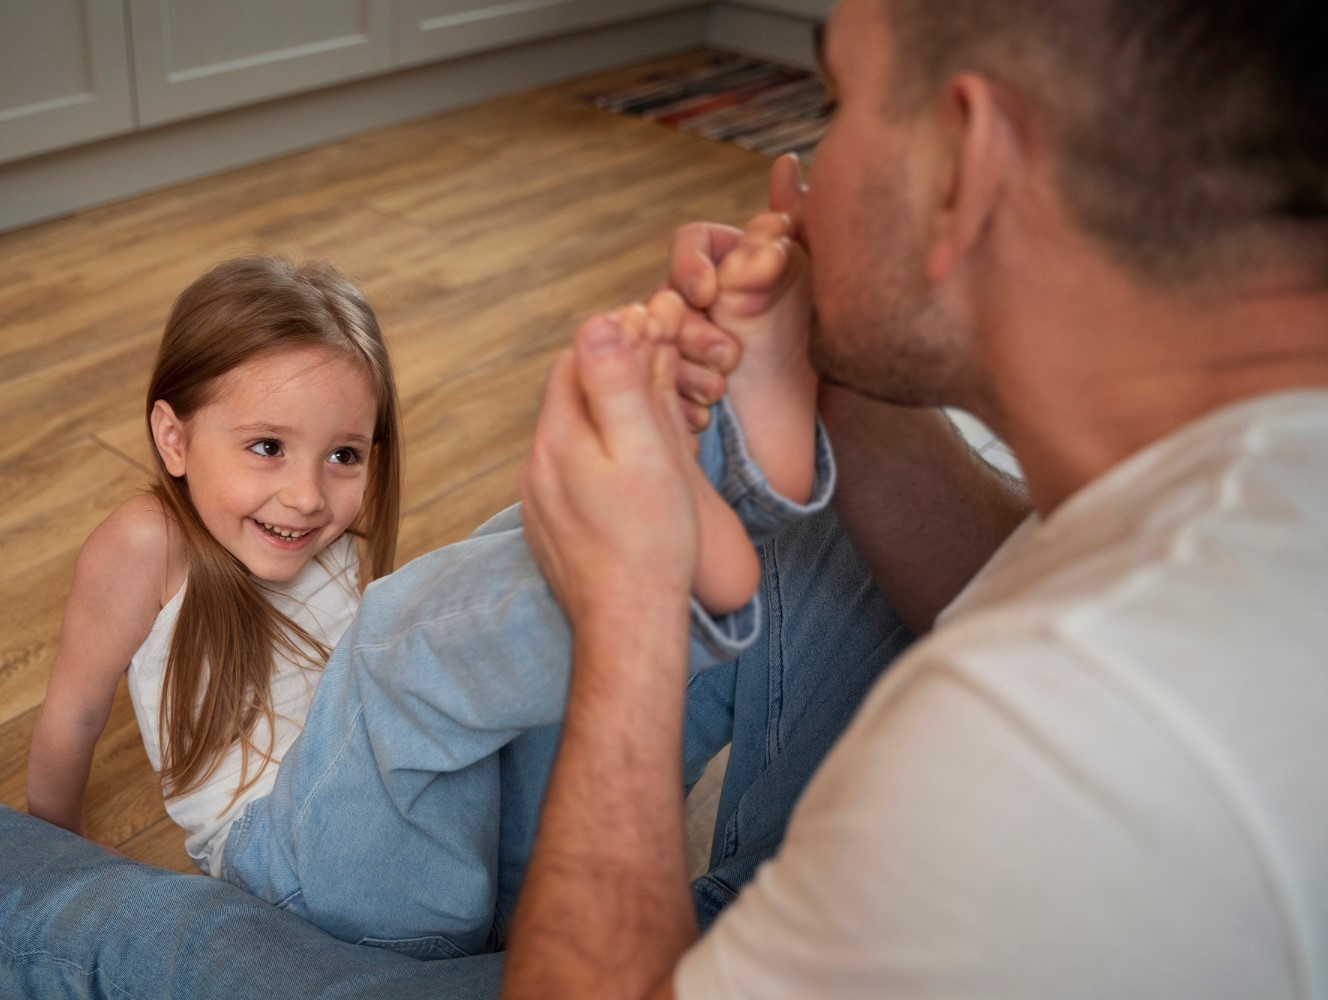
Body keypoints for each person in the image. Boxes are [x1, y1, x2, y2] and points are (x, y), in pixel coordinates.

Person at [504, 0, 1328, 995]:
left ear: (964, 168)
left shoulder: (1063, 736)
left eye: (837, 102)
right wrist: (839, 392)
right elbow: (1029, 569)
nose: (801, 186)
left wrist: (627, 608)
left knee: (263, 936)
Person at [5, 215, 834, 982]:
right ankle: (666, 553)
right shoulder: (146, 542)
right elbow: (73, 715)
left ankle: (730, 490)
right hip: (296, 874)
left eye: (343, 456)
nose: (304, 496)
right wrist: (66, 852)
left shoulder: (317, 536)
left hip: (473, 862)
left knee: (502, 545)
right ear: (174, 438)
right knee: (406, 629)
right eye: (267, 447)